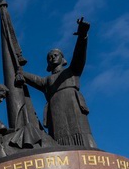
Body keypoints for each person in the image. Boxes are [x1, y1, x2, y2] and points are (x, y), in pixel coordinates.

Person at [15, 17, 97, 148]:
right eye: (49, 57)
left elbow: (79, 55)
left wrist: (82, 35)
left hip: (72, 105)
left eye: (55, 55)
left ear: (63, 59)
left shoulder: (72, 71)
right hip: (55, 111)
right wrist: (18, 70)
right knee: (58, 142)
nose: (52, 58)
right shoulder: (46, 81)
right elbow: (30, 78)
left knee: (82, 135)